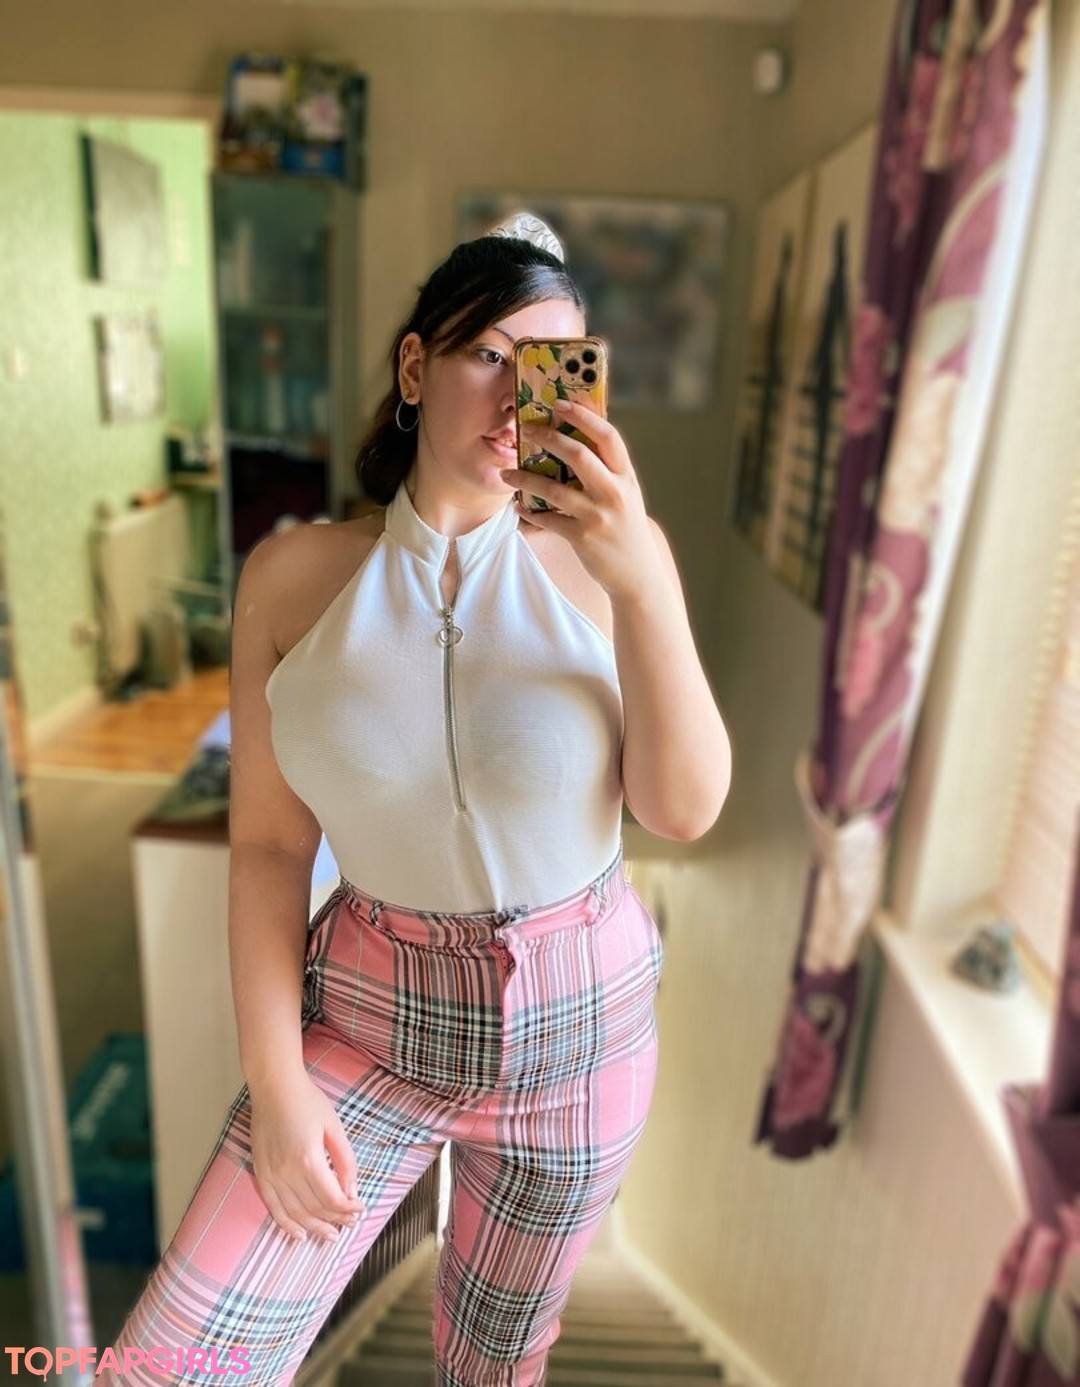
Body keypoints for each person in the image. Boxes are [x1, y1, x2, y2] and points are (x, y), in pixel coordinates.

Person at [101, 216, 731, 1386]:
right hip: (369, 1020)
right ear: (413, 366)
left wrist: (644, 581)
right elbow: (269, 847)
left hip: (582, 1037)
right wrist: (277, 1083)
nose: (514, 399)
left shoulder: (609, 565)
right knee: (171, 1364)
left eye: (549, 367)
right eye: (487, 353)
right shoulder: (293, 581)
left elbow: (682, 807)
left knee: (492, 1366)